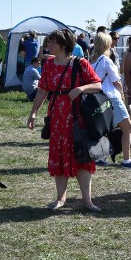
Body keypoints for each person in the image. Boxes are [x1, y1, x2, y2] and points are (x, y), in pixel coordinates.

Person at [27, 29, 103, 212]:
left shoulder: (80, 63)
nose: (48, 45)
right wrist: (33, 112)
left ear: (63, 44)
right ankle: (60, 198)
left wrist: (81, 89)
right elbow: (43, 90)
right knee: (59, 156)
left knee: (82, 156)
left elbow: (98, 84)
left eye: (52, 42)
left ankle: (87, 201)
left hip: (78, 118)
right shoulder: (49, 64)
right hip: (57, 118)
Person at [90, 32, 131, 169]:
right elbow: (116, 81)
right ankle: (126, 159)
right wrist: (122, 93)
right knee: (128, 128)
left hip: (99, 98)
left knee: (105, 129)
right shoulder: (106, 60)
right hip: (112, 97)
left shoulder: (92, 61)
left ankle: (101, 156)